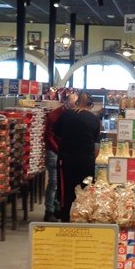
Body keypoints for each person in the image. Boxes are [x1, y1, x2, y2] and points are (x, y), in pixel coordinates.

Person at [55, 91, 101, 222]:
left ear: (76, 102)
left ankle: (65, 217)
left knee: (66, 189)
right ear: (90, 104)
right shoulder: (94, 119)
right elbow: (95, 139)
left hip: (67, 158)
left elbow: (56, 131)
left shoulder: (66, 115)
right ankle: (83, 217)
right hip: (86, 160)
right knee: (85, 189)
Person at [42, 92, 73, 222]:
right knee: (54, 182)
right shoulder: (54, 115)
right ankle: (49, 211)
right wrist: (59, 150)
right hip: (54, 151)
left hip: (64, 151)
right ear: (66, 103)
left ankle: (56, 208)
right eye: (73, 104)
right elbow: (48, 136)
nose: (74, 107)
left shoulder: (71, 115)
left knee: (61, 181)